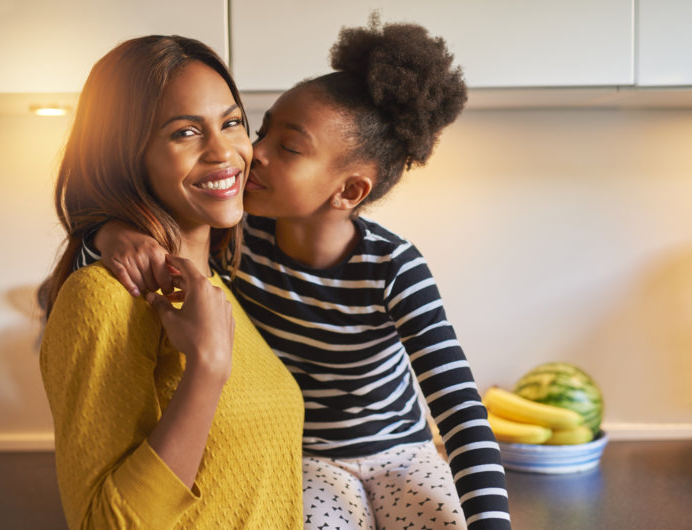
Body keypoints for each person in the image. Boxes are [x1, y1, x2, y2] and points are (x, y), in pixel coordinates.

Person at [82, 18, 511, 530]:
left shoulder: (393, 268)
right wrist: (107, 233)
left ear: (349, 192)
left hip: (402, 452)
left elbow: (460, 409)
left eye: (288, 147)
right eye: (261, 130)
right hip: (306, 460)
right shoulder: (234, 238)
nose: (253, 152)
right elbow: (105, 271)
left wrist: (490, 522)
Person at [38, 35, 304, 529]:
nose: (224, 152)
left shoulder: (222, 287)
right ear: (125, 155)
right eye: (185, 133)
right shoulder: (103, 299)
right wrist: (206, 367)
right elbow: (103, 523)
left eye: (232, 123)